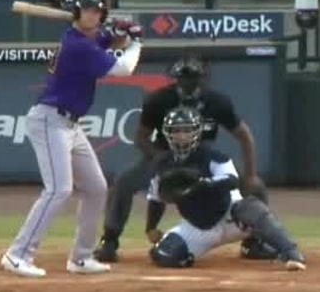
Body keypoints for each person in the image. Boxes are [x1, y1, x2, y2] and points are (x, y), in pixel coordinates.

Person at [1, 0, 143, 278]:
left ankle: (81, 257)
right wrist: (136, 42)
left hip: (70, 124)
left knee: (95, 187)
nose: (93, 15)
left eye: (97, 11)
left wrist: (117, 32)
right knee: (58, 189)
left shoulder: (84, 39)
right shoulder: (78, 46)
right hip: (49, 120)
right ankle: (17, 255)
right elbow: (124, 68)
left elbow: (102, 39)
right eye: (88, 10)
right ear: (77, 12)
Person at [94, 55, 274, 264]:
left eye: (194, 78)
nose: (189, 83)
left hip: (202, 158)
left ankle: (254, 242)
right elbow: (141, 137)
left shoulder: (217, 101)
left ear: (203, 79)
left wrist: (251, 174)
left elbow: (244, 136)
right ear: (175, 79)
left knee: (256, 187)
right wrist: (159, 158)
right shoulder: (159, 99)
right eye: (184, 78)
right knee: (124, 182)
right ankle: (110, 240)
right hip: (165, 153)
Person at [143, 106, 306, 270]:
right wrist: (151, 227)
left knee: (250, 207)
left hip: (230, 217)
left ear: (197, 132)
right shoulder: (161, 165)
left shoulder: (213, 157)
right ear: (167, 133)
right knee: (164, 255)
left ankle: (289, 252)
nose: (182, 136)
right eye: (176, 131)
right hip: (196, 227)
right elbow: (155, 198)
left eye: (187, 130)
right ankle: (187, 255)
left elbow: (232, 181)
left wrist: (203, 183)